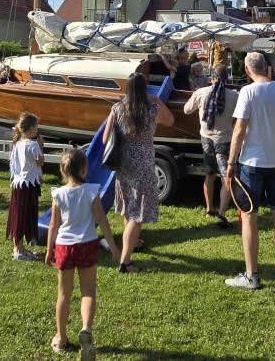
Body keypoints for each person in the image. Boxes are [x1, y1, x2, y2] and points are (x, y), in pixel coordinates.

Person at [225, 51, 275, 289]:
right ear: (267, 68)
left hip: (252, 164)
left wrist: (230, 162)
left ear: (248, 71)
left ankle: (252, 275)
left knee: (249, 217)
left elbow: (239, 131)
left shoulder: (247, 92)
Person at [45, 148, 120, 359]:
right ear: (84, 169)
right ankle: (86, 328)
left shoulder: (58, 194)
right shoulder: (91, 191)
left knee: (63, 295)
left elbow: (53, 224)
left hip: (64, 247)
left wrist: (49, 249)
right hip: (87, 244)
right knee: (88, 293)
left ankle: (60, 338)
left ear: (63, 170)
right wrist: (113, 246)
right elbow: (101, 219)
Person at [105, 71, 174, 273]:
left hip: (123, 162)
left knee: (129, 206)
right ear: (144, 89)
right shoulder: (151, 109)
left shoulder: (117, 108)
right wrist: (157, 99)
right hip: (143, 162)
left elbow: (105, 139)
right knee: (138, 214)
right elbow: (170, 120)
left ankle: (131, 244)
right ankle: (125, 262)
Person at [184, 61, 238, 229]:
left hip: (206, 139)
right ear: (226, 77)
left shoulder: (201, 92)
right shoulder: (234, 96)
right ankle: (221, 214)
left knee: (209, 174)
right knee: (226, 179)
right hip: (224, 140)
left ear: (211, 77)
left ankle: (209, 209)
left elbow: (186, 110)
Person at [8, 113, 46, 261]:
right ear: (30, 129)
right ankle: (18, 250)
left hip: (18, 184)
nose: (37, 130)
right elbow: (40, 162)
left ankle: (19, 247)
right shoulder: (33, 144)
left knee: (18, 214)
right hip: (28, 185)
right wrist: (41, 145)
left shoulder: (17, 143)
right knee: (24, 216)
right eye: (36, 127)